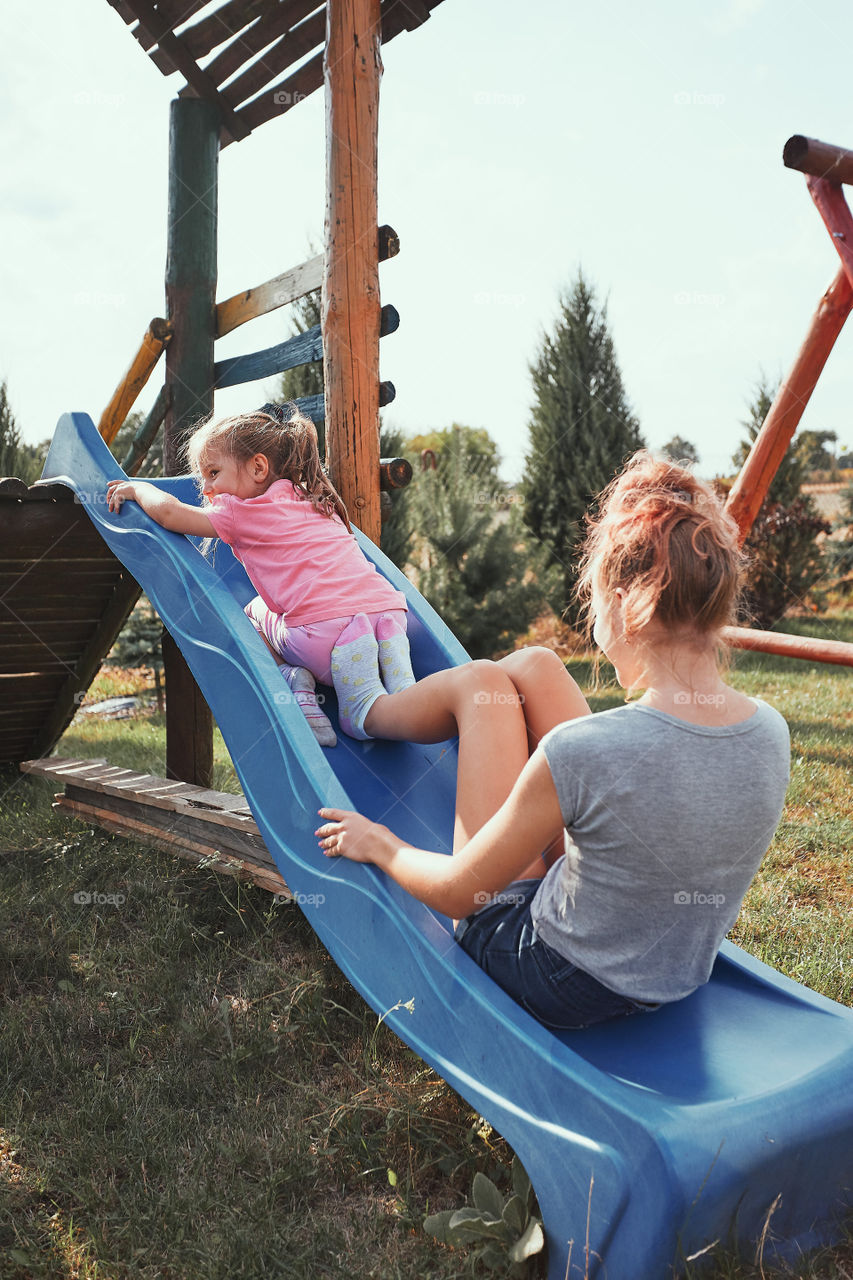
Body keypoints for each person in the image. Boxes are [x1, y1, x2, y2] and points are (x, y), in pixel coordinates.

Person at [315, 452, 792, 1031]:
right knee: (537, 664)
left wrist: (380, 843)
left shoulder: (584, 752)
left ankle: (368, 709)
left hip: (560, 978)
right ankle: (395, 707)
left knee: (482, 684)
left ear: (621, 606)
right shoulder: (771, 729)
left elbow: (462, 895)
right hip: (677, 972)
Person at [105, 403, 416, 747]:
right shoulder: (315, 497)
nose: (205, 489)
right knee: (362, 618)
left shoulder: (240, 510)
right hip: (390, 614)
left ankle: (294, 678)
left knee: (251, 613)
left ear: (257, 467)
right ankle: (394, 666)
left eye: (212, 473)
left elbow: (168, 514)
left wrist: (136, 488)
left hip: (324, 641)